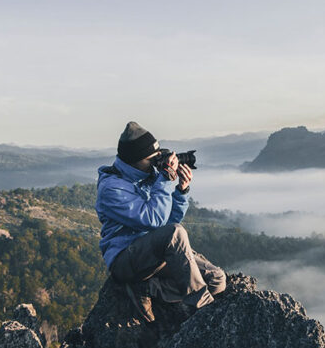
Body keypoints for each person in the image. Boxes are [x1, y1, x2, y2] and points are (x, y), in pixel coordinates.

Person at [95, 121, 226, 322]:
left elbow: (167, 223)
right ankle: (203, 311)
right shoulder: (112, 188)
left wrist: (181, 191)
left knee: (216, 280)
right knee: (176, 233)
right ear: (134, 159)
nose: (157, 162)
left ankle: (149, 289)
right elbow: (154, 221)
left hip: (154, 256)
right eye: (152, 159)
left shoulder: (149, 176)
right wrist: (164, 180)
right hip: (125, 260)